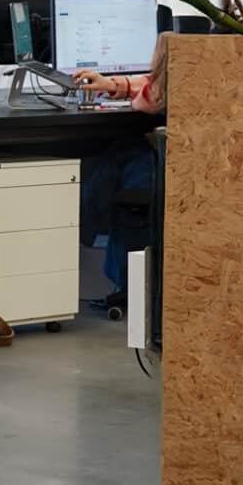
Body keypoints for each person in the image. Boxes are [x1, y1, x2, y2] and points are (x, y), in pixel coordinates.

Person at [72, 33, 170, 308]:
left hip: (157, 164)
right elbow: (152, 84)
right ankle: (83, 232)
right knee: (127, 152)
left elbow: (151, 96)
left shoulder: (165, 88)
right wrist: (113, 84)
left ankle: (80, 232)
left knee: (124, 153)